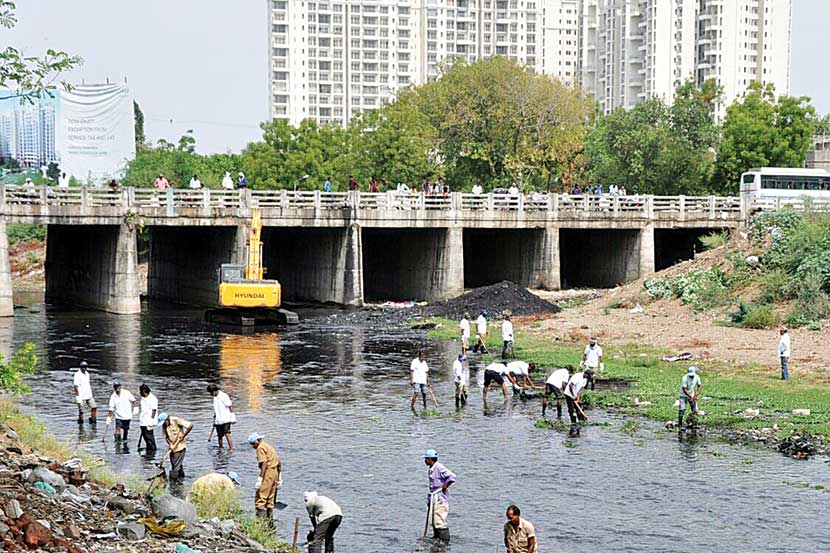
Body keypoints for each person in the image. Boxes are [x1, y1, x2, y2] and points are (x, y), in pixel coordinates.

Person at [248, 432, 282, 523]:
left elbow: (264, 463)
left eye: (253, 443)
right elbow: (278, 461)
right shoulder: (268, 446)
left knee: (261, 497)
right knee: (270, 499)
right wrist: (279, 476)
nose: (253, 446)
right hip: (275, 473)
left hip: (268, 473)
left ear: (257, 440)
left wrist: (260, 479)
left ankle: (260, 523)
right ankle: (270, 524)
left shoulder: (260, 448)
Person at [423, 449, 455, 542]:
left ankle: (444, 542)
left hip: (440, 498)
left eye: (426, 459)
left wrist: (446, 486)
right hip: (434, 498)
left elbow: (452, 477)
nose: (425, 461)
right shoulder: (431, 469)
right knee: (433, 520)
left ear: (430, 459)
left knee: (439, 521)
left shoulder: (439, 467)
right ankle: (436, 540)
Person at [159, 412, 193, 483]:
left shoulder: (176, 420)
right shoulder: (164, 425)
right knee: (175, 464)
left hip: (180, 446)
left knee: (175, 467)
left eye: (164, 422)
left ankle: (173, 484)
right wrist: (170, 444)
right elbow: (166, 437)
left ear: (167, 419)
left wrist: (183, 435)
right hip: (172, 448)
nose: (164, 424)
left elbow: (190, 425)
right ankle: (181, 480)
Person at [208, 383, 235, 450]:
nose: (210, 394)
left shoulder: (224, 396)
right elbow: (216, 409)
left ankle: (231, 448)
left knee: (227, 433)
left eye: (211, 392)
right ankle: (220, 448)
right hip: (218, 419)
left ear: (214, 391)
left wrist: (232, 417)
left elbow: (230, 405)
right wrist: (215, 419)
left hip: (226, 419)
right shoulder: (215, 397)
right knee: (219, 435)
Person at [563, 368, 589, 435]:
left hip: (575, 395)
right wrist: (572, 395)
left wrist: (577, 398)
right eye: (588, 376)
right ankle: (573, 423)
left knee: (578, 409)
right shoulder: (578, 376)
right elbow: (570, 385)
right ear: (585, 374)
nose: (588, 378)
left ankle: (580, 422)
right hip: (569, 394)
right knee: (571, 409)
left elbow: (581, 389)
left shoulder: (585, 379)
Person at [138, 384, 158, 452]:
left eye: (141, 391)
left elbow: (154, 410)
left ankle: (153, 451)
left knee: (150, 438)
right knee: (146, 438)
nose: (140, 393)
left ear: (144, 391)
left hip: (149, 422)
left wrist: (151, 421)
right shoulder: (142, 398)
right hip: (143, 421)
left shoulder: (153, 398)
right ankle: (148, 450)